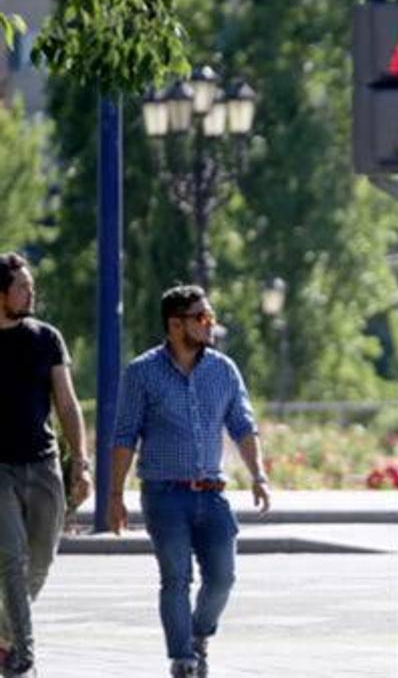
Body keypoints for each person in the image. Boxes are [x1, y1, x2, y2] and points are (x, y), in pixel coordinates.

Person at [107, 285, 272, 678]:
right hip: (164, 496)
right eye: (201, 318)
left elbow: (243, 426)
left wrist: (258, 475)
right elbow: (125, 435)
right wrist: (115, 495)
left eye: (210, 317)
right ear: (175, 324)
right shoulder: (142, 373)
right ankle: (182, 659)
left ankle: (198, 635)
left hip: (212, 495)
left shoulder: (223, 370)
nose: (209, 324)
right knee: (176, 578)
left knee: (222, 578)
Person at [0, 252, 92, 678]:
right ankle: (24, 656)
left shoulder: (47, 338)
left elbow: (68, 405)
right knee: (11, 558)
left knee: (40, 562)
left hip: (44, 465)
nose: (30, 291)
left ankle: (3, 637)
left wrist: (82, 463)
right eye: (22, 286)